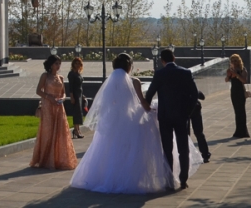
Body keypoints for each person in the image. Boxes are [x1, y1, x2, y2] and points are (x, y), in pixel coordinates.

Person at [70, 53, 202, 194]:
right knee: (175, 148)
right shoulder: (136, 81)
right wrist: (152, 110)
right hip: (155, 118)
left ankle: (119, 178)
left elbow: (111, 104)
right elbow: (144, 101)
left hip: (120, 121)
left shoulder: (111, 83)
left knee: (119, 151)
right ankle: (181, 179)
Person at [143, 49, 201, 190]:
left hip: (165, 117)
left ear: (162, 60)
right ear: (174, 58)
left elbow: (150, 93)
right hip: (182, 116)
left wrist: (147, 107)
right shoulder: (186, 72)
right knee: (183, 149)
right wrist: (188, 112)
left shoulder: (160, 74)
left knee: (167, 149)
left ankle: (169, 180)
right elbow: (194, 94)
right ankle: (183, 180)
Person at [30, 54, 77, 170]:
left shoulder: (60, 77)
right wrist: (49, 97)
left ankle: (58, 158)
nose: (58, 66)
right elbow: (38, 91)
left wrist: (63, 98)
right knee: (48, 131)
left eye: (59, 63)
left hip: (59, 107)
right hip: (48, 106)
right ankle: (45, 158)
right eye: (56, 63)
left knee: (60, 131)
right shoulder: (45, 76)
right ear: (51, 64)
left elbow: (64, 92)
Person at [225, 53, 250, 138]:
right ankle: (238, 130)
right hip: (234, 92)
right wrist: (229, 75)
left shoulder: (243, 69)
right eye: (232, 61)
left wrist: (237, 75)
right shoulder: (230, 70)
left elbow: (244, 81)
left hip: (241, 91)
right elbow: (226, 80)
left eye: (235, 61)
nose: (234, 62)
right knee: (236, 111)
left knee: (241, 111)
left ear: (239, 61)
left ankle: (243, 131)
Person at [67, 57, 86, 139]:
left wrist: (82, 95)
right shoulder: (71, 74)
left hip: (79, 94)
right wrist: (72, 97)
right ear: (73, 64)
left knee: (79, 112)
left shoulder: (78, 73)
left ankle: (78, 129)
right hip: (75, 95)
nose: (77, 65)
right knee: (76, 112)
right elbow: (70, 87)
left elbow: (80, 86)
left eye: (79, 63)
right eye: (76, 63)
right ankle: (76, 130)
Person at [190, 91, 211, 163]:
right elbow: (202, 96)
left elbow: (202, 96)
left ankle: (205, 154)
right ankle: (205, 155)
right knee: (199, 133)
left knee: (195, 133)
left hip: (188, 109)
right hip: (194, 108)